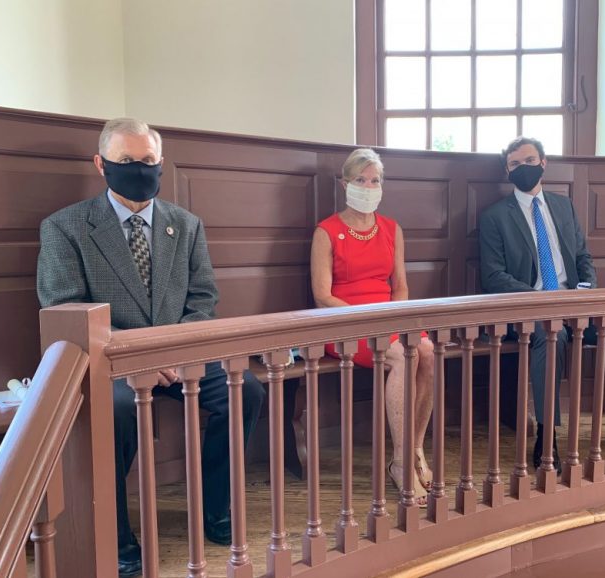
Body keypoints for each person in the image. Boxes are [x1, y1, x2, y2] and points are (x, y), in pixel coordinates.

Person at [36, 117, 266, 578]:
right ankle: (117, 535)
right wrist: (134, 357)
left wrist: (176, 354)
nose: (139, 170)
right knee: (116, 409)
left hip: (178, 356)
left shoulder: (185, 225)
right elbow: (64, 306)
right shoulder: (65, 227)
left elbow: (203, 299)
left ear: (160, 163)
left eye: (148, 161)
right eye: (126, 161)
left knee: (247, 391)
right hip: (108, 363)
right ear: (101, 164)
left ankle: (214, 510)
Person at [479, 136, 605, 473]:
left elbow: (584, 257)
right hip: (531, 308)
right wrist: (542, 299)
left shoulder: (563, 206)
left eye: (529, 161)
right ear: (507, 171)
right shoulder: (494, 217)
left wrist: (586, 290)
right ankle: (547, 436)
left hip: (576, 303)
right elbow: (494, 276)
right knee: (549, 335)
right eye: (514, 164)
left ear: (543, 163)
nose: (522, 168)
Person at [310, 148, 434, 507]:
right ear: (345, 183)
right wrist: (369, 321)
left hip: (389, 318)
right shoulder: (327, 231)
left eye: (375, 180)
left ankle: (415, 449)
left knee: (426, 351)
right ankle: (399, 463)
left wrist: (395, 316)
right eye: (361, 179)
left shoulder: (392, 229)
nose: (368, 185)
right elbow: (322, 296)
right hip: (345, 322)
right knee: (402, 355)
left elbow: (401, 286)